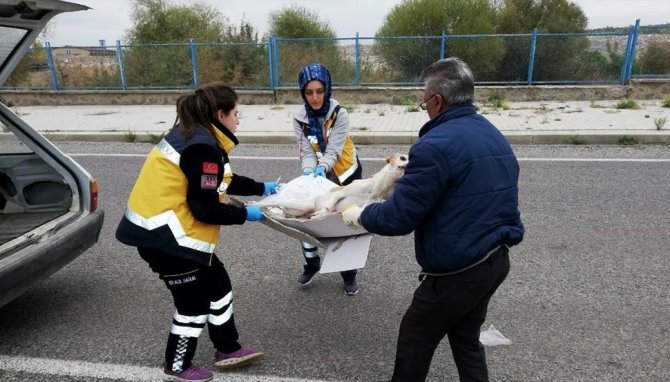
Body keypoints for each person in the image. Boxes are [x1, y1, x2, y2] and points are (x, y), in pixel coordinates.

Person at [342, 57, 524, 382]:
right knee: (466, 340)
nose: (424, 107)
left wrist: (359, 215)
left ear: (437, 101)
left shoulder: (433, 147)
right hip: (494, 262)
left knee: (415, 338)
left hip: (457, 273)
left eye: (424, 101)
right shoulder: (493, 134)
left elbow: (399, 218)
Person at [115, 82, 278, 382]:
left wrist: (263, 188)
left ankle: (228, 348)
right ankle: (177, 365)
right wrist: (246, 214)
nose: (238, 119)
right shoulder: (202, 146)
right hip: (163, 239)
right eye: (236, 113)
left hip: (172, 234)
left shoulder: (200, 136)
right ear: (220, 114)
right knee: (192, 305)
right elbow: (204, 209)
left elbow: (220, 180)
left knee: (219, 285)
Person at [292, 62, 363, 296]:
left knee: (345, 222)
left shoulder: (339, 113)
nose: (315, 98)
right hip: (318, 170)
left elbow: (333, 150)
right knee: (306, 217)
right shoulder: (299, 117)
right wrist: (308, 172)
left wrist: (322, 168)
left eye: (320, 91)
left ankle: (348, 273)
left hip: (344, 172)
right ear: (303, 92)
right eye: (309, 92)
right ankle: (312, 264)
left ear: (327, 89)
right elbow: (306, 149)